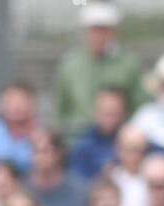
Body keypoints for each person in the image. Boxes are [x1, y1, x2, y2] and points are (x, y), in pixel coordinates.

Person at [52, 2, 145, 140]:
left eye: (104, 30)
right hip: (77, 141)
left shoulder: (128, 65)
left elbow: (139, 106)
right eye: (94, 30)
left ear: (113, 32)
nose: (99, 35)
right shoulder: (70, 65)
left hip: (118, 144)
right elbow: (59, 109)